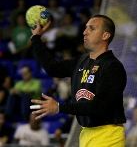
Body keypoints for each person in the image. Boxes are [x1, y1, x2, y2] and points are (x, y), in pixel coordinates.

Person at [30, 14, 127, 147]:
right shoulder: (80, 61)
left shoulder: (113, 67)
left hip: (108, 134)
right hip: (86, 133)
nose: (84, 32)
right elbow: (52, 68)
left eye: (91, 28)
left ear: (105, 36)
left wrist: (59, 107)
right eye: (86, 28)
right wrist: (36, 39)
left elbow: (99, 106)